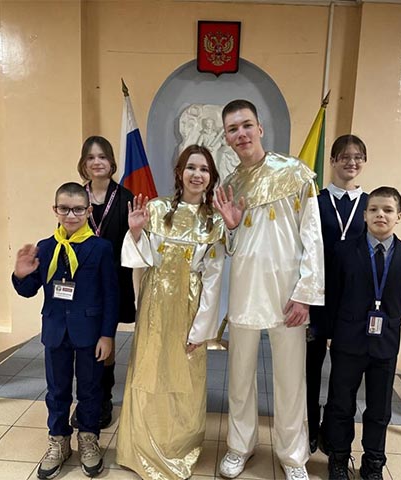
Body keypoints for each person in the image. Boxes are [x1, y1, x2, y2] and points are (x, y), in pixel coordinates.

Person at [213, 99, 324, 480]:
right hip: (245, 290)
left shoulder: (294, 172)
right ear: (226, 138)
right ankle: (239, 446)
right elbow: (227, 249)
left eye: (246, 125)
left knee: (290, 379)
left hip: (288, 292)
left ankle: (293, 456)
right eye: (233, 129)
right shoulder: (229, 185)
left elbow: (312, 235)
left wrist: (306, 292)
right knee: (239, 375)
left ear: (259, 128)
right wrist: (230, 227)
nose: (241, 134)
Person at [115, 145, 226, 480]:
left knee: (184, 373)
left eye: (204, 169)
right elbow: (140, 257)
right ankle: (142, 446)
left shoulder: (214, 221)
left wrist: (201, 329)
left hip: (191, 305)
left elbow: (214, 278)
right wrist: (136, 232)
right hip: (156, 302)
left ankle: (178, 445)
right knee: (149, 369)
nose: (197, 174)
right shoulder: (157, 208)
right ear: (180, 172)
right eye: (191, 167)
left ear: (211, 177)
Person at [12, 182, 118, 479]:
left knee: (90, 389)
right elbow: (29, 290)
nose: (71, 215)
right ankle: (58, 441)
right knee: (56, 390)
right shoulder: (46, 247)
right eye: (65, 209)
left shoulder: (100, 248)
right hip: (56, 330)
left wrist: (107, 335)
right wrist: (20, 275)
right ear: (55, 210)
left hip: (90, 333)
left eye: (78, 209)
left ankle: (88, 439)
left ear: (89, 210)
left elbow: (111, 295)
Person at [322, 186, 401, 480]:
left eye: (388, 210)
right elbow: (334, 294)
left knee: (380, 409)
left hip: (385, 343)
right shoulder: (343, 251)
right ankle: (339, 458)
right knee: (341, 404)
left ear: (399, 216)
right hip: (348, 340)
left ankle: (374, 462)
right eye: (374, 209)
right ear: (365, 215)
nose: (381, 215)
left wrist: (386, 320)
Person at [307, 134, 369, 453]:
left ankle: (333, 431)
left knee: (343, 373)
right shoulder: (315, 201)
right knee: (310, 367)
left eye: (357, 157)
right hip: (317, 296)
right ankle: (309, 427)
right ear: (332, 161)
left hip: (351, 301)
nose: (351, 162)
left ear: (364, 162)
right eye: (344, 156)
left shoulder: (370, 204)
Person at [72, 135, 136, 429]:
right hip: (83, 282)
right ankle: (87, 398)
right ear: (83, 164)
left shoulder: (126, 198)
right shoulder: (76, 198)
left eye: (102, 157)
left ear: (111, 162)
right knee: (84, 341)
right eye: (90, 157)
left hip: (114, 281)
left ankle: (104, 398)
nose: (97, 162)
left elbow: (135, 243)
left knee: (105, 338)